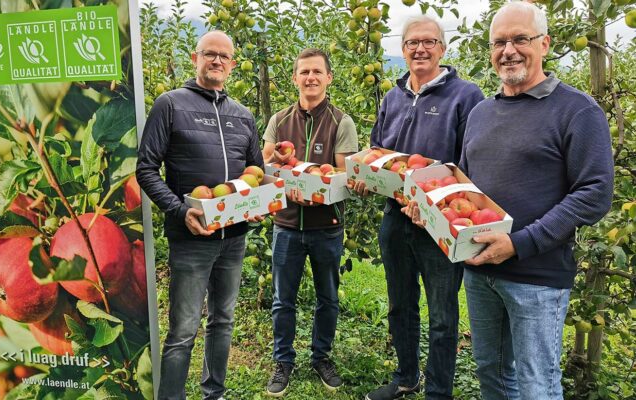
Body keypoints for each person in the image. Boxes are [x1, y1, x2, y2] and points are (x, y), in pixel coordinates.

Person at [456, 2, 614, 399]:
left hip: (537, 278)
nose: (508, 50)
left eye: (520, 39)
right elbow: (462, 185)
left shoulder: (576, 111)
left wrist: (520, 243)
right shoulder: (480, 113)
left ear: (544, 44)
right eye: (499, 42)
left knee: (535, 385)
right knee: (492, 375)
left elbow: (595, 193)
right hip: (480, 272)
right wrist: (429, 208)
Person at [356, 16, 485, 400]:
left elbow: (469, 163)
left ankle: (439, 392)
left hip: (441, 221)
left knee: (443, 316)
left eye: (429, 42)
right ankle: (406, 376)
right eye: (412, 42)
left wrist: (434, 200)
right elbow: (378, 151)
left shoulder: (466, 96)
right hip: (396, 217)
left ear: (442, 49)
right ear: (403, 49)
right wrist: (366, 173)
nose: (420, 49)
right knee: (400, 305)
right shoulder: (393, 96)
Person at [136, 30, 264, 400]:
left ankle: (215, 393)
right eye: (210, 54)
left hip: (234, 239)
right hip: (192, 238)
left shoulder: (242, 114)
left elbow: (255, 172)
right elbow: (146, 168)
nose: (217, 61)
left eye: (225, 56)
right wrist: (179, 211)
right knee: (183, 330)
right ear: (196, 58)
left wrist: (254, 206)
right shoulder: (171, 104)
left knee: (222, 321)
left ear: (233, 65)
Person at [261, 48, 358, 397]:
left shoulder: (341, 122)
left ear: (329, 78)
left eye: (317, 72)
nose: (311, 78)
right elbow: (265, 166)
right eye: (304, 72)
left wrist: (313, 190)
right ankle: (283, 360)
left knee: (327, 297)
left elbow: (343, 175)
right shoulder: (278, 120)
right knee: (282, 298)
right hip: (286, 223)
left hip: (326, 225)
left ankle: (321, 357)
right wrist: (288, 185)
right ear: (295, 78)